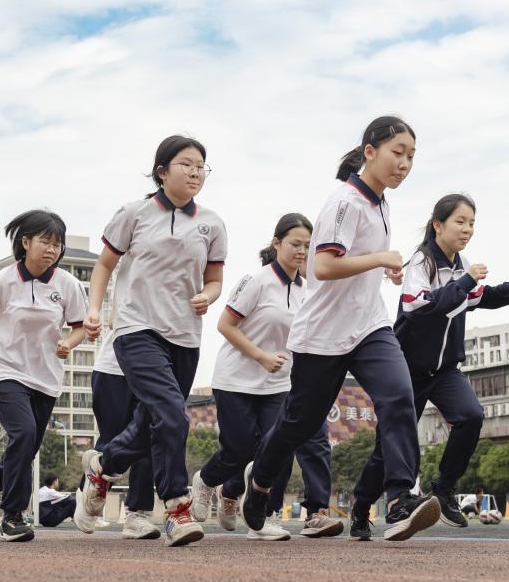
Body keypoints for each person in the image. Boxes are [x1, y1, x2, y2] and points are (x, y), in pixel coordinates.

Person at [240, 116, 442, 544]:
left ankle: (401, 497)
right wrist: (381, 259)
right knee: (299, 423)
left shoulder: (381, 203)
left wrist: (382, 269)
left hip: (369, 325)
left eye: (411, 157)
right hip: (323, 334)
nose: (405, 164)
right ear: (369, 151)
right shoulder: (345, 202)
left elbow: (357, 262)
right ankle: (258, 483)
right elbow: (324, 266)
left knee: (399, 397)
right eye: (397, 153)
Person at [74, 135, 227, 547]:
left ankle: (102, 467)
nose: (195, 172)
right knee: (173, 415)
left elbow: (214, 279)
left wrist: (208, 295)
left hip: (185, 336)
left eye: (201, 166)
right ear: (162, 172)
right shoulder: (134, 214)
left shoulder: (212, 223)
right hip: (136, 329)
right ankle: (176, 508)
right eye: (186, 164)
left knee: (152, 421)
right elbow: (104, 265)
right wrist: (93, 310)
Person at [352, 193, 509, 528]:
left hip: (445, 369)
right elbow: (417, 306)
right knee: (389, 447)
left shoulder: (461, 264)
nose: (467, 230)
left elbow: (477, 298)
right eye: (460, 222)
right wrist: (465, 282)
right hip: (408, 369)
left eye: (472, 223)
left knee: (471, 416)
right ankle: (362, 507)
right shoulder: (423, 262)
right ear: (438, 225)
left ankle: (444, 488)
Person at [190, 213, 340, 542]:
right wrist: (260, 355)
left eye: (308, 246)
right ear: (276, 243)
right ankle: (207, 480)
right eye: (295, 244)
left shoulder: (308, 290)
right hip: (236, 380)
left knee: (280, 448)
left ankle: (263, 518)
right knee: (240, 449)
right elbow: (225, 325)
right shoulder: (256, 281)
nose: (302, 251)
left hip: (279, 384)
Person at [0, 211, 87, 542]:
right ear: (26, 242)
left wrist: (68, 343)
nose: (52, 249)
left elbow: (79, 328)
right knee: (24, 433)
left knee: (26, 448)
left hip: (46, 377)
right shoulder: (1, 281)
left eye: (57, 244)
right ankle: (13, 515)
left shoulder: (68, 284)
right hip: (6, 370)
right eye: (45, 241)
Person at [86, 330, 159, 540]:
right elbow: (113, 319)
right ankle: (89, 494)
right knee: (111, 439)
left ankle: (138, 513)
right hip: (113, 369)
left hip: (152, 371)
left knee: (148, 438)